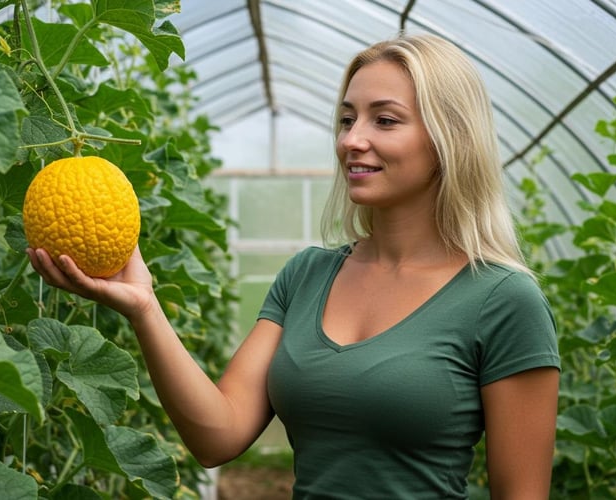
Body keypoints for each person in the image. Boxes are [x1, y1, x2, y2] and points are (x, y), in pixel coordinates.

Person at [27, 32, 561, 499]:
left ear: (450, 139)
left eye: (385, 120)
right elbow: (219, 435)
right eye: (347, 119)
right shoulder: (307, 275)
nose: (352, 139)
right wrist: (145, 309)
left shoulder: (503, 300)